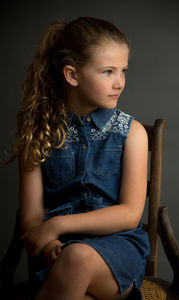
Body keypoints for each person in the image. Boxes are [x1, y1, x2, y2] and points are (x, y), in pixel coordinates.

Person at [12, 16, 150, 300]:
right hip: (58, 251)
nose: (120, 82)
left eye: (123, 70)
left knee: (75, 260)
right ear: (72, 75)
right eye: (108, 72)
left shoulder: (132, 133)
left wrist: (57, 225)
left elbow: (129, 214)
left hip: (117, 250)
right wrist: (48, 239)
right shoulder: (41, 132)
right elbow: (32, 215)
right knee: (72, 272)